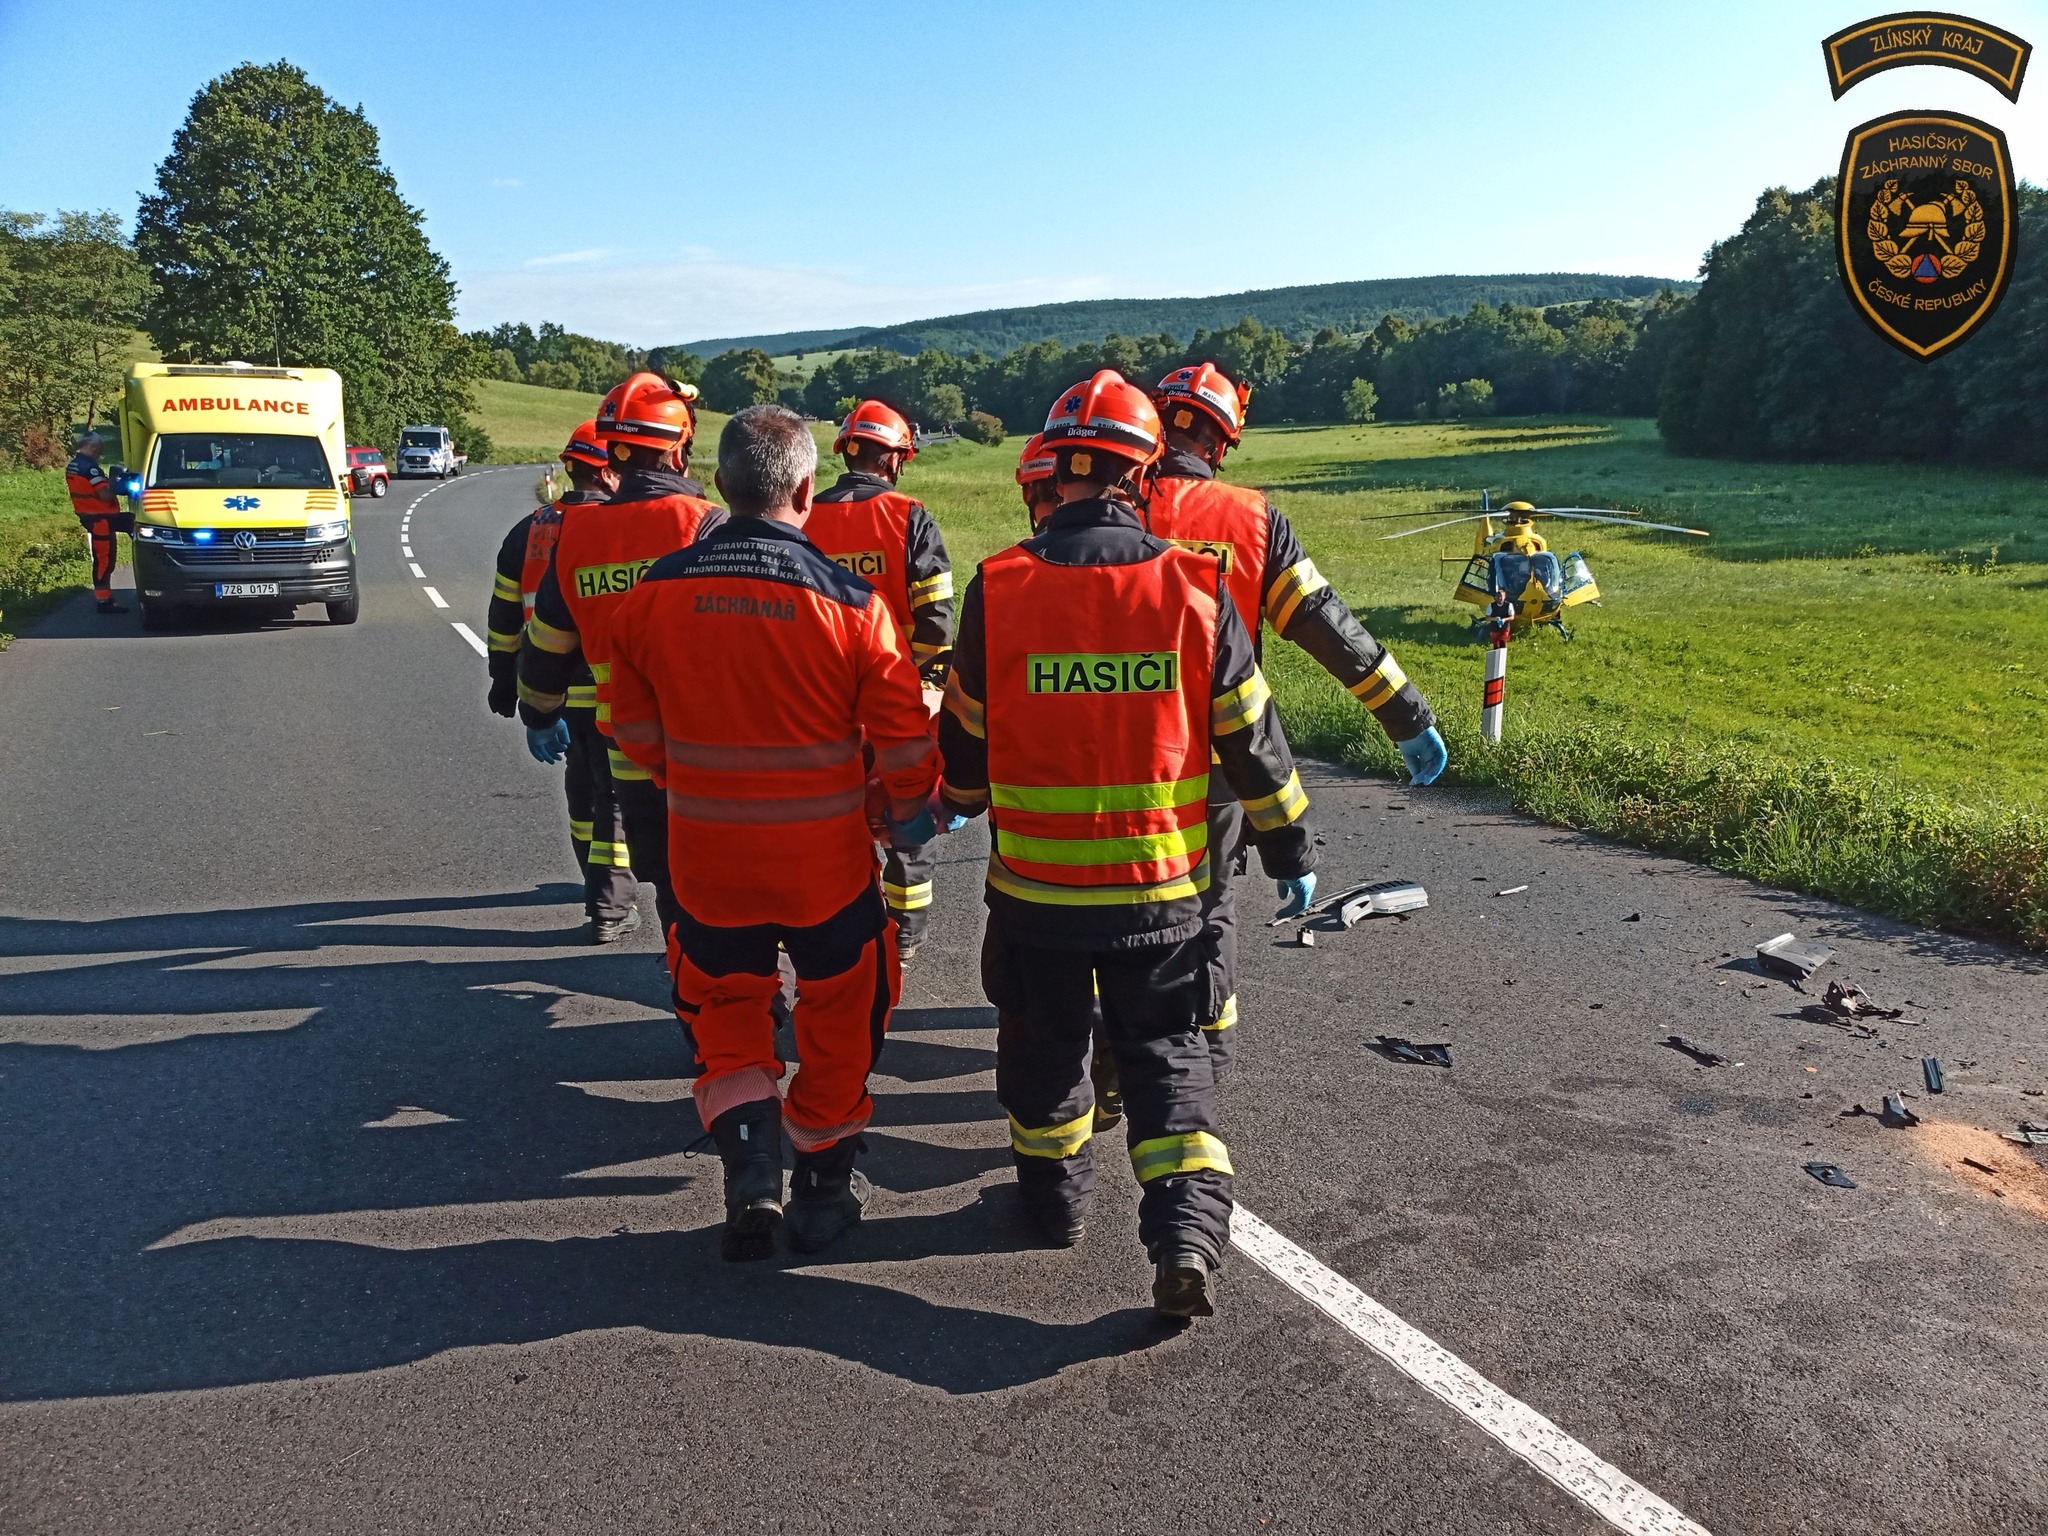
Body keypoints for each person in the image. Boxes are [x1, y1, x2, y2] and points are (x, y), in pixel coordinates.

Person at [937, 370, 1316, 1319]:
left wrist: (958, 800)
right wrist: (1289, 850)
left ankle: (1057, 1206)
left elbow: (968, 742)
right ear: (1143, 474)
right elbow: (1252, 739)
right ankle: (1185, 1232)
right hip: (1163, 895)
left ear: (1053, 470)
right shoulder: (1196, 586)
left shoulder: (999, 587)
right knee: (1166, 1058)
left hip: (1037, 899)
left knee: (1044, 1057)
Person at [607, 403, 937, 1261]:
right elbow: (904, 740)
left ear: (719, 485)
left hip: (707, 864)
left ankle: (752, 1167)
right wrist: (907, 810)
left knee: (723, 1007)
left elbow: (628, 728)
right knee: (844, 1011)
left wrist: (690, 781)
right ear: (807, 489)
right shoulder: (852, 604)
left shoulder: (651, 596)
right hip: (826, 872)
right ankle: (823, 1190)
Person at [1143, 361, 1446, 1074]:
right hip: (1219, 761)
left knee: (1118, 908)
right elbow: (1326, 625)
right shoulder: (1251, 521)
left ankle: (1116, 1051)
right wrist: (1405, 715)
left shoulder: (1110, 502)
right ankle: (1199, 1060)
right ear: (1223, 441)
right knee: (1208, 912)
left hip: (1110, 753)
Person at [518, 373, 724, 951]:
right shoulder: (703, 523)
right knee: (717, 872)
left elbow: (547, 643)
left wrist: (538, 713)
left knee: (666, 877)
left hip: (628, 752)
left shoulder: (577, 537)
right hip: (704, 746)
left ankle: (688, 976)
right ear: (678, 447)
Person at [807, 399, 955, 960]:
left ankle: (843, 927)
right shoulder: (909, 516)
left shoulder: (804, 516)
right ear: (894, 460)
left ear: (846, 452)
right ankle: (905, 935)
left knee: (834, 820)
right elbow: (935, 620)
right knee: (905, 813)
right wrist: (924, 686)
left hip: (820, 700)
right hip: (895, 696)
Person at [486, 422, 638, 942]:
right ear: (608, 471)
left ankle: (598, 888)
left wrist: (506, 682)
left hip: (552, 689)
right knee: (614, 795)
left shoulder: (527, 531)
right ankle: (610, 906)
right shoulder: (615, 530)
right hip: (612, 687)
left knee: (584, 793)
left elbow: (505, 617)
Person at [66, 432, 134, 615]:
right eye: (100, 449)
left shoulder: (74, 465)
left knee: (131, 523)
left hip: (92, 516)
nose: (100, 453)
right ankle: (103, 601)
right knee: (104, 560)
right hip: (101, 519)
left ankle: (105, 598)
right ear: (93, 447)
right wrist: (118, 485)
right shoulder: (89, 468)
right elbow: (104, 495)